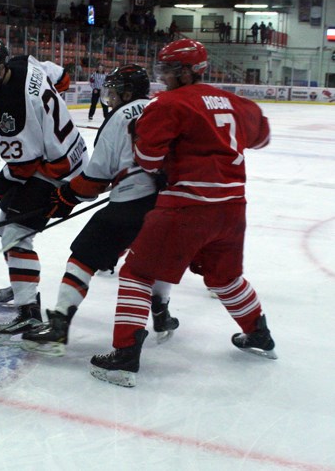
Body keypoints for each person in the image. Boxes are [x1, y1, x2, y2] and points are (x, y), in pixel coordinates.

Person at [89, 39, 275, 388]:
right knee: (225, 277)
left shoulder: (168, 104)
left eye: (170, 71)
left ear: (189, 71)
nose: (164, 78)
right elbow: (262, 136)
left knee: (135, 273)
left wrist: (141, 138)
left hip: (187, 206)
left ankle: (125, 356)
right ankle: (259, 335)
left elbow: (148, 160)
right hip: (233, 209)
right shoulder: (236, 102)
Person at [20, 65, 178, 357]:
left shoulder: (118, 118)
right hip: (168, 203)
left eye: (115, 91)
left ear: (127, 93)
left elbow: (95, 177)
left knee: (82, 257)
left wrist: (66, 195)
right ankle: (162, 312)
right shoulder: (162, 109)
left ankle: (59, 325)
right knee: (155, 260)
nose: (111, 97)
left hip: (129, 203)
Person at [0, 39, 88, 344]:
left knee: (14, 232)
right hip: (74, 152)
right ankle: (22, 282)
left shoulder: (8, 109)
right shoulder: (25, 62)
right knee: (6, 219)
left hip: (57, 172)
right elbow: (63, 79)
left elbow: (22, 167)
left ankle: (28, 309)